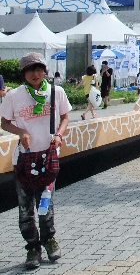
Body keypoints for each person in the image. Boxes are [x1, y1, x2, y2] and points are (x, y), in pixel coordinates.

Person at [0, 52, 71, 268]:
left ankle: (49, 239)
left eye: (39, 69)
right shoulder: (14, 96)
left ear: (44, 71)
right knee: (25, 209)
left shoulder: (55, 92)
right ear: (24, 73)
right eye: (31, 69)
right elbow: (4, 122)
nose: (35, 73)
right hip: (24, 160)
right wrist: (20, 131)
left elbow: (65, 117)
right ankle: (32, 247)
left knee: (45, 205)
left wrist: (59, 134)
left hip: (48, 159)